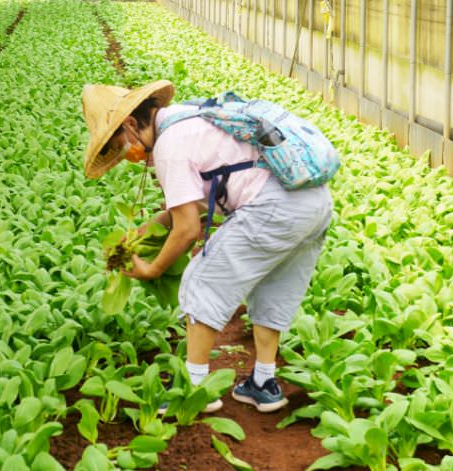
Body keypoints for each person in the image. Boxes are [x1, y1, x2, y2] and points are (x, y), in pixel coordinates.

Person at [81, 80, 333, 413]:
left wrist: (151, 269)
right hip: (314, 204)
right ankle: (264, 383)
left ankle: (193, 387)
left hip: (273, 206)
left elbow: (186, 229)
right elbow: (189, 208)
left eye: (120, 145)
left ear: (129, 124)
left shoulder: (170, 143)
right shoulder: (192, 118)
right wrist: (141, 236)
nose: (127, 154)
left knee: (202, 282)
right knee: (275, 288)